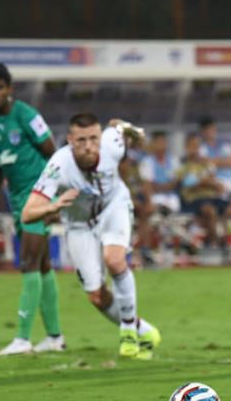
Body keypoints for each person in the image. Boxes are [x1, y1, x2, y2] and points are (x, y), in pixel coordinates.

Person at [22, 113, 161, 359]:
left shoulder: (111, 144)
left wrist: (131, 132)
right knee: (96, 296)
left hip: (113, 207)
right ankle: (145, 330)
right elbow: (28, 214)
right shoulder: (58, 166)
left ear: (100, 137)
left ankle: (128, 332)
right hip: (78, 225)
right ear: (70, 140)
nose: (88, 146)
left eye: (93, 139)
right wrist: (52, 207)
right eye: (81, 140)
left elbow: (120, 128)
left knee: (115, 260)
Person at [0, 62, 65, 356]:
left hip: (39, 197)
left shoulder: (28, 116)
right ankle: (55, 337)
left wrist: (54, 199)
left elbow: (55, 156)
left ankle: (22, 338)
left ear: (9, 89)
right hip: (16, 198)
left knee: (28, 263)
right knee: (43, 266)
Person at [198, 116, 231, 245]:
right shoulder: (201, 148)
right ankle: (227, 241)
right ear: (203, 132)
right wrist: (224, 162)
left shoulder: (224, 145)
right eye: (207, 130)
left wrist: (214, 161)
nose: (210, 132)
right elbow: (205, 165)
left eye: (212, 129)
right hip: (218, 183)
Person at [175, 133, 227, 248]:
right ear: (187, 148)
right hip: (193, 200)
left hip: (211, 197)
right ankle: (215, 244)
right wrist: (205, 183)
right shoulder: (182, 165)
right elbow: (188, 184)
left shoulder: (206, 164)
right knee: (209, 210)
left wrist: (207, 183)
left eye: (197, 146)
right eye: (192, 146)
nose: (195, 149)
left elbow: (217, 185)